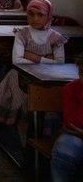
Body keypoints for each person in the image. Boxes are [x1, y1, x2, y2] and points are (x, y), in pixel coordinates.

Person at [0, 0, 67, 126]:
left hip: (47, 77)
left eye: (40, 14)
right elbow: (17, 61)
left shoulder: (55, 38)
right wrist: (49, 59)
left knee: (49, 98)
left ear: (49, 16)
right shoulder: (22, 33)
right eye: (31, 14)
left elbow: (60, 64)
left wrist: (33, 57)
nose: (35, 18)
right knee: (25, 99)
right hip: (21, 75)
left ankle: (42, 130)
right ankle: (23, 130)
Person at [51, 52, 83, 182]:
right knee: (65, 152)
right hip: (75, 136)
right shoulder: (71, 89)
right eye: (82, 72)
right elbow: (71, 123)